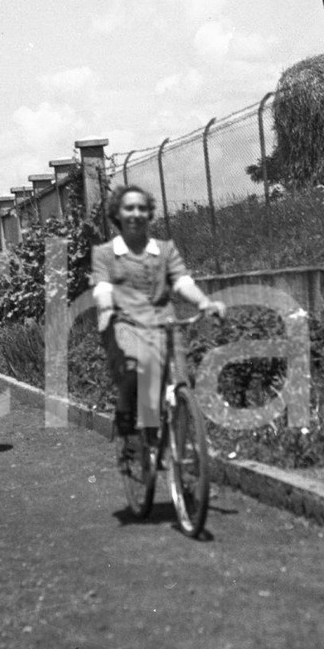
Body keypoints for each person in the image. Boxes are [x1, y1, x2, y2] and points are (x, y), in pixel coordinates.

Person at [91, 186, 225, 461]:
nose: (136, 214)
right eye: (129, 208)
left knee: (179, 386)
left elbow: (182, 281)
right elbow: (102, 287)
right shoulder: (105, 253)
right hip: (125, 323)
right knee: (137, 370)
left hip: (164, 324)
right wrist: (105, 306)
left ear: (149, 213)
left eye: (142, 208)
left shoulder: (165, 250)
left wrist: (203, 302)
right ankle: (131, 432)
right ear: (117, 213)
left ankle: (188, 469)